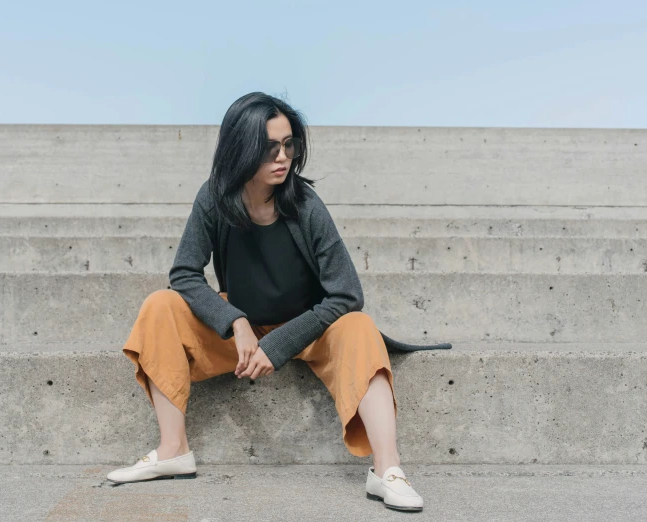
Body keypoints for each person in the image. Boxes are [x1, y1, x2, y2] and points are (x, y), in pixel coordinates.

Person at [107, 92, 451, 512]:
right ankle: (173, 448)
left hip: (310, 329)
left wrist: (278, 344)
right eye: (270, 148)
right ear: (241, 148)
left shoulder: (305, 205)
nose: (283, 157)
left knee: (358, 325)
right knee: (160, 305)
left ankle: (388, 470)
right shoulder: (214, 197)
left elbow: (346, 293)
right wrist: (235, 321)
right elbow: (184, 274)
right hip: (242, 329)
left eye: (289, 145)